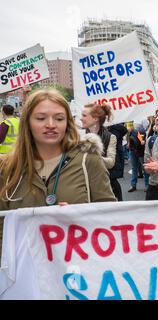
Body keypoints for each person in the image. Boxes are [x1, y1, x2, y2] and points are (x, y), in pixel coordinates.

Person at [0, 89, 116, 253]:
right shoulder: (8, 167)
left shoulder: (88, 159)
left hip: (77, 268)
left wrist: (80, 218)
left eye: (59, 118)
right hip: (24, 272)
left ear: (67, 123)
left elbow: (111, 218)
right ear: (27, 123)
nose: (51, 124)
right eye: (41, 118)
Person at [81, 103, 119, 200]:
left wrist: (93, 157)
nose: (81, 118)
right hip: (83, 186)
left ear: (95, 118)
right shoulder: (79, 136)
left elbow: (111, 163)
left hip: (105, 186)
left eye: (84, 115)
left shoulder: (111, 137)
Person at [127, 121, 149, 192]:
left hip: (140, 151)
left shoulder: (140, 124)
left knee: (144, 168)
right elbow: (128, 133)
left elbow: (142, 141)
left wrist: (142, 140)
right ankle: (133, 185)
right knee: (134, 168)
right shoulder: (130, 118)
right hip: (132, 150)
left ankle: (147, 185)